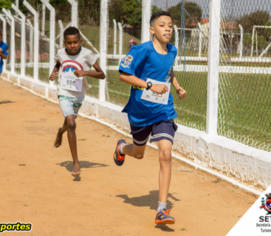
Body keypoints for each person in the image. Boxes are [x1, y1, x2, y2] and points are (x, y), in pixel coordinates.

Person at [112, 11, 187, 224]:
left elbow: (168, 71)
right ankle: (121, 148)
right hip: (140, 111)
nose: (168, 29)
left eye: (170, 25)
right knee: (138, 153)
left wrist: (177, 86)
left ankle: (162, 209)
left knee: (165, 153)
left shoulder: (172, 50)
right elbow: (123, 75)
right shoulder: (140, 50)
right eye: (162, 25)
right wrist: (149, 85)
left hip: (163, 111)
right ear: (152, 30)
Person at [49, 27, 105, 175]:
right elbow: (59, 62)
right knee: (72, 123)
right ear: (64, 43)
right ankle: (76, 162)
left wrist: (85, 72)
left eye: (75, 42)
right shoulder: (61, 53)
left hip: (78, 95)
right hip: (64, 92)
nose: (72, 45)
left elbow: (102, 74)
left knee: (69, 122)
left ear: (80, 41)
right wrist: (54, 72)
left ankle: (60, 133)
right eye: (69, 43)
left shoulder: (87, 55)